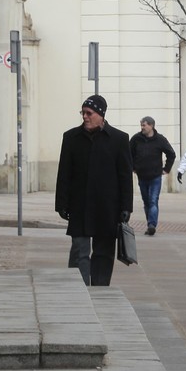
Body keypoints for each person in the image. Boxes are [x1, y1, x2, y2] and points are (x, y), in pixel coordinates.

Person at [55, 95, 133, 287]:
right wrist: (61, 203)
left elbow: (125, 177)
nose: (85, 117)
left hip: (107, 207)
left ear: (101, 115)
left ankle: (99, 289)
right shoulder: (71, 137)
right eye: (83, 113)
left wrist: (126, 207)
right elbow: (64, 173)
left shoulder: (119, 139)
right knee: (80, 250)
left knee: (103, 252)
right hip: (79, 205)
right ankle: (80, 289)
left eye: (89, 113)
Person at [129, 116, 176, 236]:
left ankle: (152, 225)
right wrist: (133, 166)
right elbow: (128, 153)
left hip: (155, 176)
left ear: (151, 126)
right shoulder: (136, 139)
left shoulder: (160, 140)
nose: (142, 128)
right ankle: (150, 222)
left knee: (153, 200)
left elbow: (171, 154)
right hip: (142, 175)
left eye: (144, 125)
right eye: (141, 125)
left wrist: (166, 169)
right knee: (146, 201)